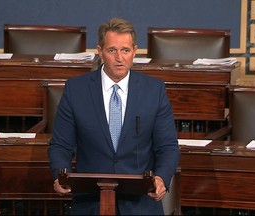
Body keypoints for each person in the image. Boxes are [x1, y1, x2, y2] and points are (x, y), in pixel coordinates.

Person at [48, 17, 180, 215]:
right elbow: (61, 145)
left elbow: (168, 146)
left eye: (125, 50)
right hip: (90, 202)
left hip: (140, 203)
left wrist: (161, 178)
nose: (120, 58)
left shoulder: (154, 90)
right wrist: (60, 176)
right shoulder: (76, 90)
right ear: (100, 51)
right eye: (112, 50)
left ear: (134, 51)